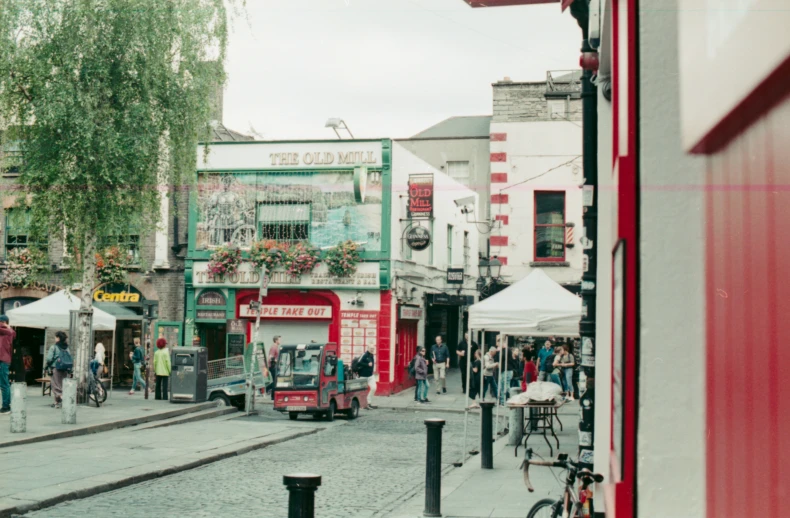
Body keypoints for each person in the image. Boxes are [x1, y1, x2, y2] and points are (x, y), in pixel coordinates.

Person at [44, 331, 70, 408]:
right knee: (61, 385)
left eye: (55, 337)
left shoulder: (54, 347)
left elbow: (49, 358)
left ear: (58, 338)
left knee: (55, 385)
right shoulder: (67, 347)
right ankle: (56, 402)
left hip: (56, 368)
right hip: (65, 368)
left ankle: (62, 398)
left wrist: (47, 365)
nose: (55, 338)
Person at [0, 315, 15, 415]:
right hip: (4, 360)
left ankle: (6, 407)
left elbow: (11, 332)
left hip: (3, 360)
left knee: (4, 384)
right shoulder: (10, 331)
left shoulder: (6, 332)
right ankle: (6, 405)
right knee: (4, 384)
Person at [358, 344, 377, 409]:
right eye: (371, 348)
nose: (372, 350)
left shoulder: (372, 355)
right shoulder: (364, 355)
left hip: (370, 376)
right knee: (362, 390)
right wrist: (367, 364)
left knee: (373, 388)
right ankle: (363, 404)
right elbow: (359, 362)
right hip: (363, 376)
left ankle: (368, 402)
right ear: (368, 348)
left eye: (373, 348)